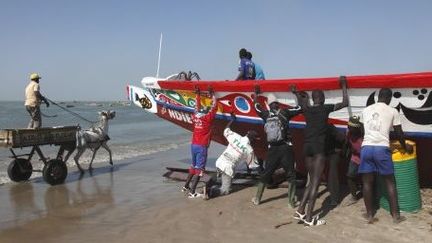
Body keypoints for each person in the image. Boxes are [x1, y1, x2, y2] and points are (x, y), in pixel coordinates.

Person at [292, 76, 348, 226]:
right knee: (316, 183)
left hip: (307, 147)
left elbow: (301, 101)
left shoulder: (307, 109)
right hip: (318, 149)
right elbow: (345, 103)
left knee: (312, 181)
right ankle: (309, 218)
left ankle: (301, 210)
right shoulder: (325, 108)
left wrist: (296, 92)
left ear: (313, 99)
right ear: (322, 99)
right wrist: (343, 85)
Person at [359, 88, 413, 224]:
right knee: (390, 182)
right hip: (381, 149)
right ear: (389, 98)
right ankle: (396, 216)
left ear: (378, 97)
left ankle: (370, 215)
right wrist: (405, 146)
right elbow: (399, 133)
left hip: (366, 148)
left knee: (367, 182)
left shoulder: (366, 110)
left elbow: (360, 128)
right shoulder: (393, 111)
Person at [251, 85, 303, 208]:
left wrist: (256, 94)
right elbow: (300, 108)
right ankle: (291, 201)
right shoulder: (285, 112)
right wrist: (296, 93)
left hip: (272, 149)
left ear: (269, 104)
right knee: (291, 174)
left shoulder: (266, 114)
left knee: (267, 173)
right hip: (286, 148)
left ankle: (257, 198)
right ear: (277, 104)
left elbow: (256, 106)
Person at [210, 113, 259, 197]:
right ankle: (209, 192)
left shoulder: (236, 136)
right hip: (228, 168)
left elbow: (226, 130)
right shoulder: (249, 149)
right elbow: (253, 165)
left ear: (247, 134)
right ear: (253, 139)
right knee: (225, 190)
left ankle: (210, 183)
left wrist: (232, 120)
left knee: (221, 174)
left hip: (219, 162)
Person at [183, 87, 218, 198]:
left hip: (193, 145)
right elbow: (215, 106)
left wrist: (197, 95)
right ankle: (192, 192)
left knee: (193, 166)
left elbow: (196, 107)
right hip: (202, 146)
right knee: (199, 170)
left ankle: (186, 186)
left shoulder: (195, 117)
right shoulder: (208, 119)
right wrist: (213, 94)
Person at [343, 116, 364, 206]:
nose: (350, 129)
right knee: (350, 175)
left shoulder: (364, 135)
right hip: (354, 157)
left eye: (353, 128)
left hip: (365, 159)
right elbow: (347, 142)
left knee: (366, 178)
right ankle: (354, 196)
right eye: (349, 127)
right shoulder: (348, 132)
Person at [325, 124, 346, 207]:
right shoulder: (328, 126)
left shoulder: (328, 127)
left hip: (331, 152)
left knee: (332, 175)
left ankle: (334, 199)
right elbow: (342, 138)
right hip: (329, 152)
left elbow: (341, 138)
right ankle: (334, 198)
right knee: (332, 174)